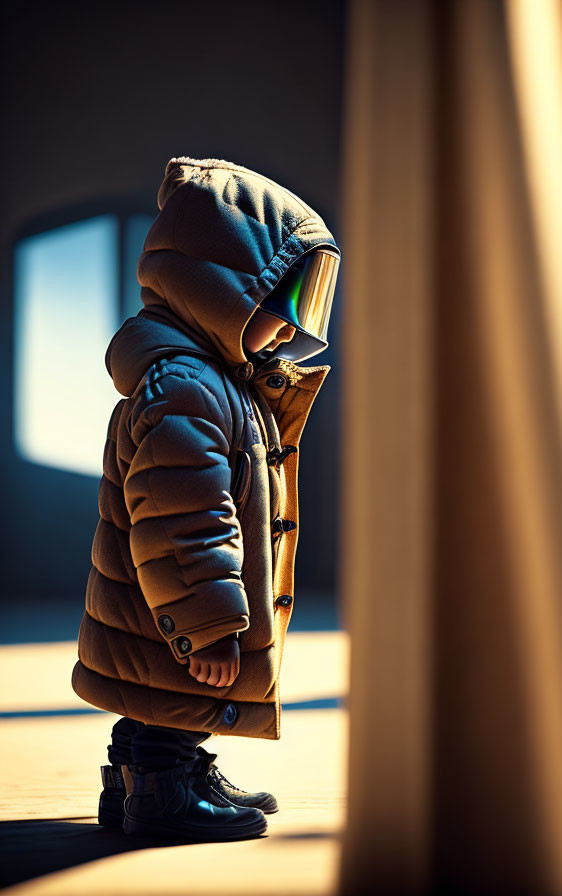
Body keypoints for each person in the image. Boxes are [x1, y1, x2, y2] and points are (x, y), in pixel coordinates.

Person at [71, 156, 341, 841]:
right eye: (278, 306)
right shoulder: (187, 387)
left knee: (156, 687)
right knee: (179, 686)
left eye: (302, 311)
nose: (289, 330)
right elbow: (185, 515)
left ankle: (136, 778)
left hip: (157, 601)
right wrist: (211, 620)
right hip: (177, 599)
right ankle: (162, 790)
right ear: (217, 289)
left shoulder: (202, 379)